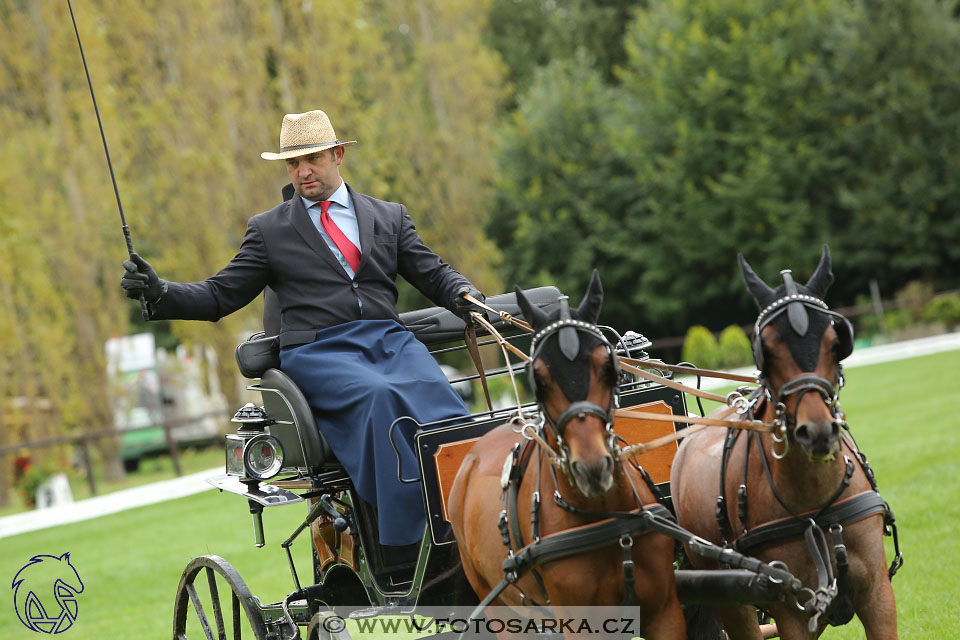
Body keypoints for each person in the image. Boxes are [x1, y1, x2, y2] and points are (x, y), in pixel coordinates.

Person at [121, 109, 484, 547]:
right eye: (293, 163)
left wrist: (465, 295)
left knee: (442, 401)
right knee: (381, 398)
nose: (303, 171)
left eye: (312, 158)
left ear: (338, 154)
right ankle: (411, 539)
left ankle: (474, 510)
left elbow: (433, 273)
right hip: (319, 352)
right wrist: (160, 291)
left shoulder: (390, 217)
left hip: (390, 343)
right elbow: (220, 296)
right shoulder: (269, 230)